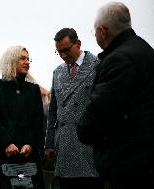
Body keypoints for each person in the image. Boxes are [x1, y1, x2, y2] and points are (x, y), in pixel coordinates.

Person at [77, 2, 154, 189]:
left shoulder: (118, 60)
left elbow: (100, 110)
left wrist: (83, 131)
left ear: (102, 31)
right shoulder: (146, 51)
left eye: (94, 31)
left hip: (126, 163)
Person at [45, 28, 104, 189]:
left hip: (89, 147)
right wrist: (49, 143)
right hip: (63, 147)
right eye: (59, 52)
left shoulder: (98, 66)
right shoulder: (57, 72)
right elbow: (53, 110)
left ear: (77, 44)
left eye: (66, 50)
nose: (63, 56)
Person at [0, 45, 45, 189]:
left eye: (28, 59)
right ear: (10, 61)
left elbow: (38, 120)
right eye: (22, 58)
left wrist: (30, 143)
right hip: (0, 153)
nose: (27, 62)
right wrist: (6, 143)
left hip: (27, 155)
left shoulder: (33, 89)